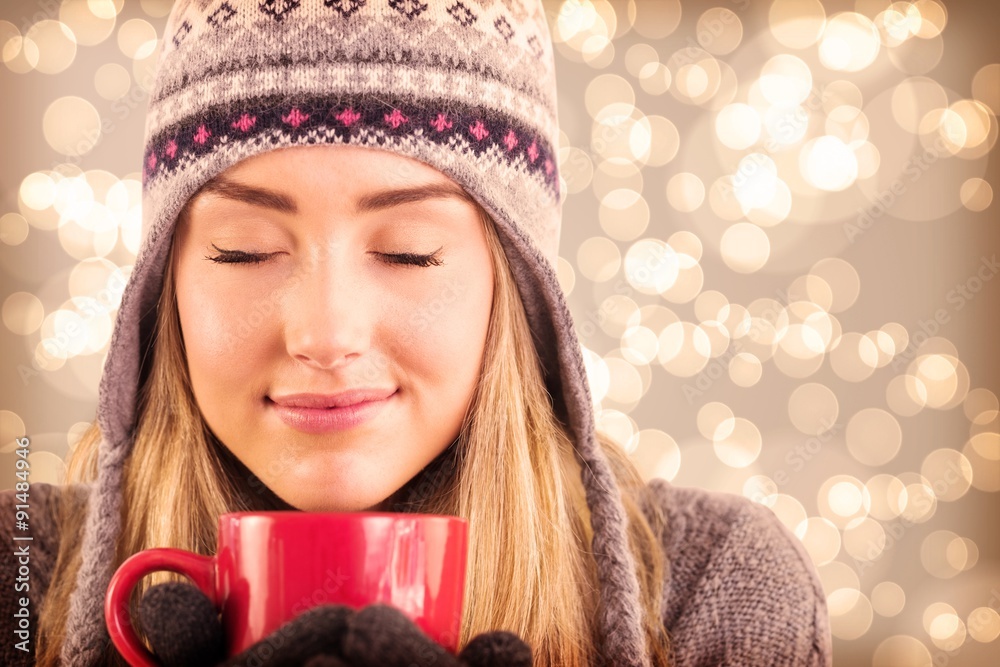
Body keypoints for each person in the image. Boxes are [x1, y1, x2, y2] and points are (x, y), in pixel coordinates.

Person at [0, 1, 833, 665]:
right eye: (243, 250)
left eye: (408, 251)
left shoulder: (716, 585)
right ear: (161, 286)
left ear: (517, 289)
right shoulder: (20, 572)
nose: (326, 333)